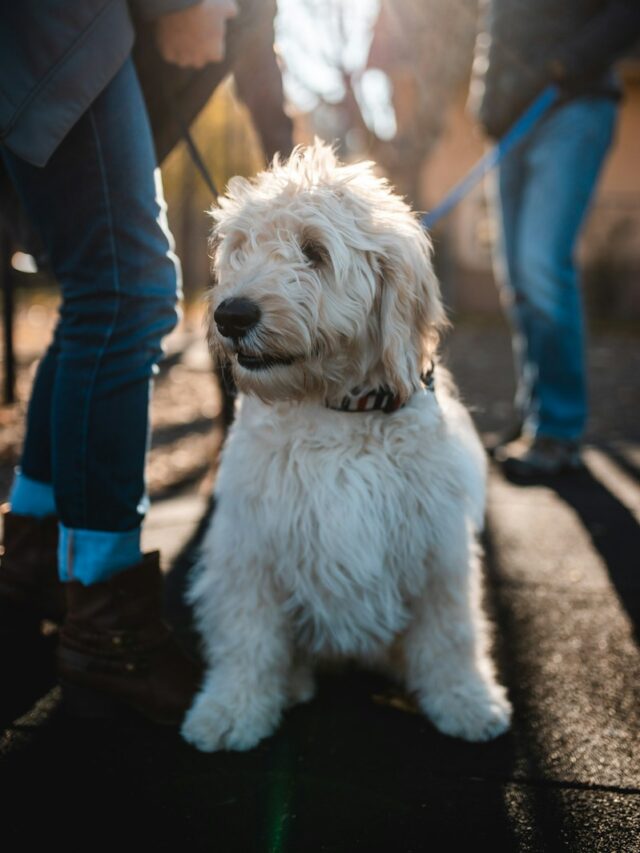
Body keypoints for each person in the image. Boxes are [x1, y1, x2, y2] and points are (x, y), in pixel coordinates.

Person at [0, 0, 237, 724]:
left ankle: (37, 552)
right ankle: (107, 620)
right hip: (64, 22)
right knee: (129, 291)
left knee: (98, 294)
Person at [469, 0, 640, 477]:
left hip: (572, 104)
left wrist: (567, 63)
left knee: (542, 265)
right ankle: (537, 419)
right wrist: (483, 104)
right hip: (508, 124)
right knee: (518, 278)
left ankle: (560, 433)